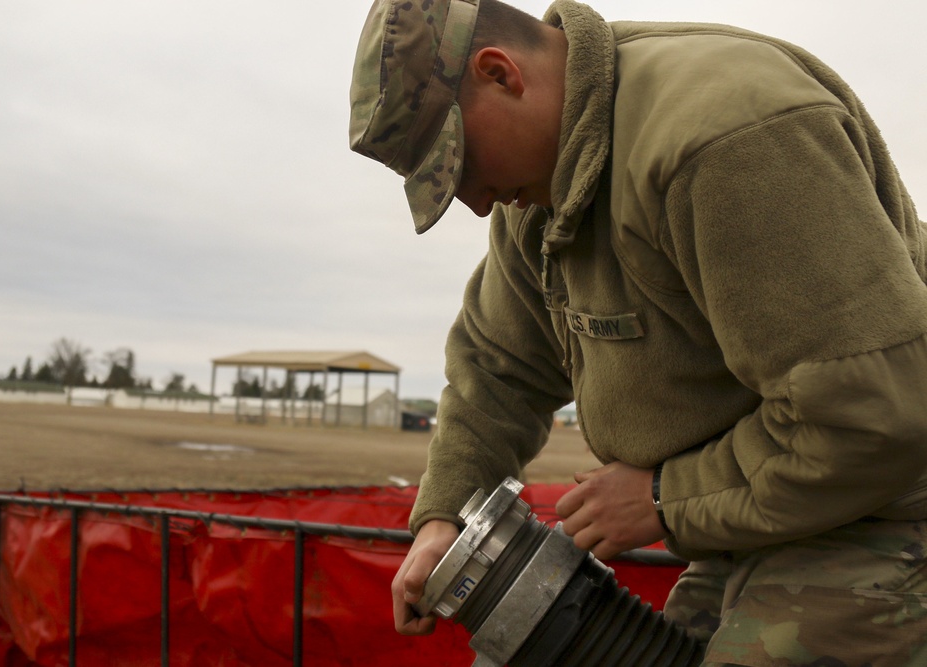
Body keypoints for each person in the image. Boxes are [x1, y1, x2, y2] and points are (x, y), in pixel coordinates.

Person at [349, 0, 927, 663]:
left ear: (501, 73)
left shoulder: (725, 140)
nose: (475, 201)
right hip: (760, 512)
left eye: (462, 163)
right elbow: (497, 367)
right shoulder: (540, 195)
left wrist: (663, 497)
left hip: (887, 503)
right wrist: (442, 520)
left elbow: (876, 417)